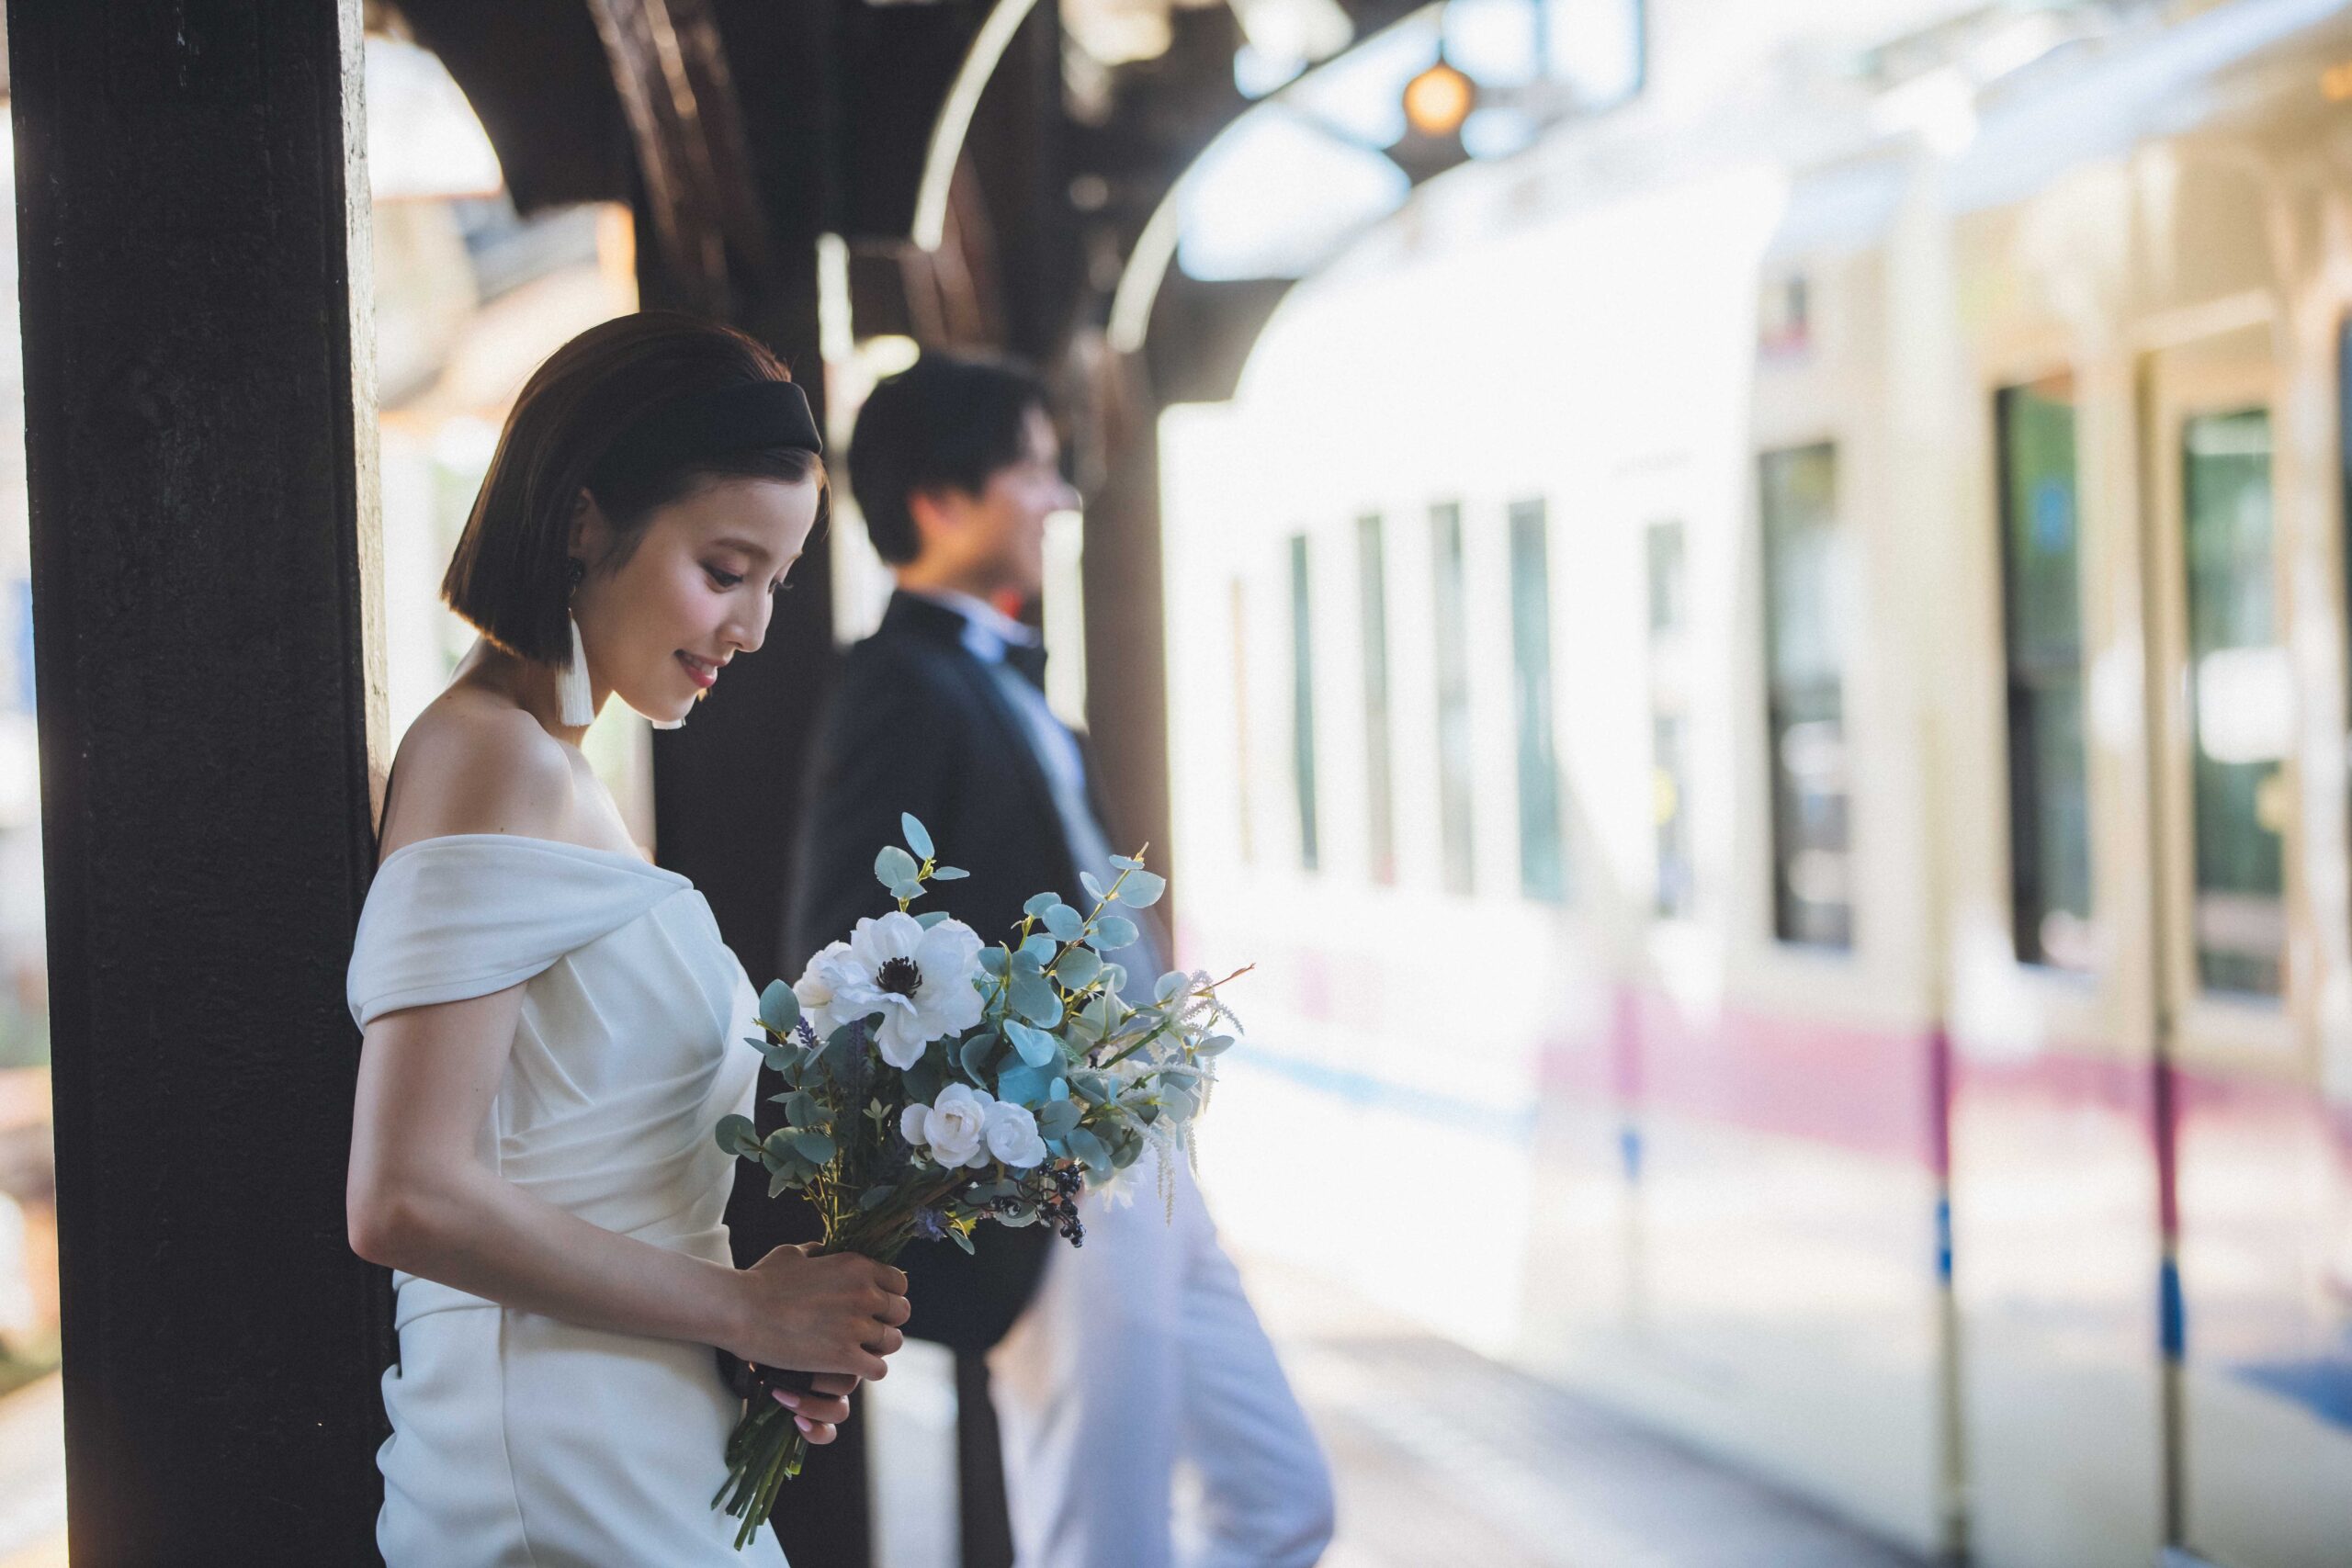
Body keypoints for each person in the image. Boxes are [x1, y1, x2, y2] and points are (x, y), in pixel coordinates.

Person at [344, 312, 911, 1566]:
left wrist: (768, 1332)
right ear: (586, 522)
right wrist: (746, 1305)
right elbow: (404, 1195)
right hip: (553, 1456)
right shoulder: (489, 753)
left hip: (638, 1427)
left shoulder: (559, 767)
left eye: (777, 580)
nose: (754, 626)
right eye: (724, 569)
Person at [789, 350, 1336, 1568]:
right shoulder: (898, 685)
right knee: (1105, 1547)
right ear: (940, 500)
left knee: (1287, 1501)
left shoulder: (1012, 679)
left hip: (1155, 1173)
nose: (1062, 500)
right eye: (1035, 470)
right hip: (1061, 1191)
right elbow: (843, 953)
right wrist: (988, 1150)